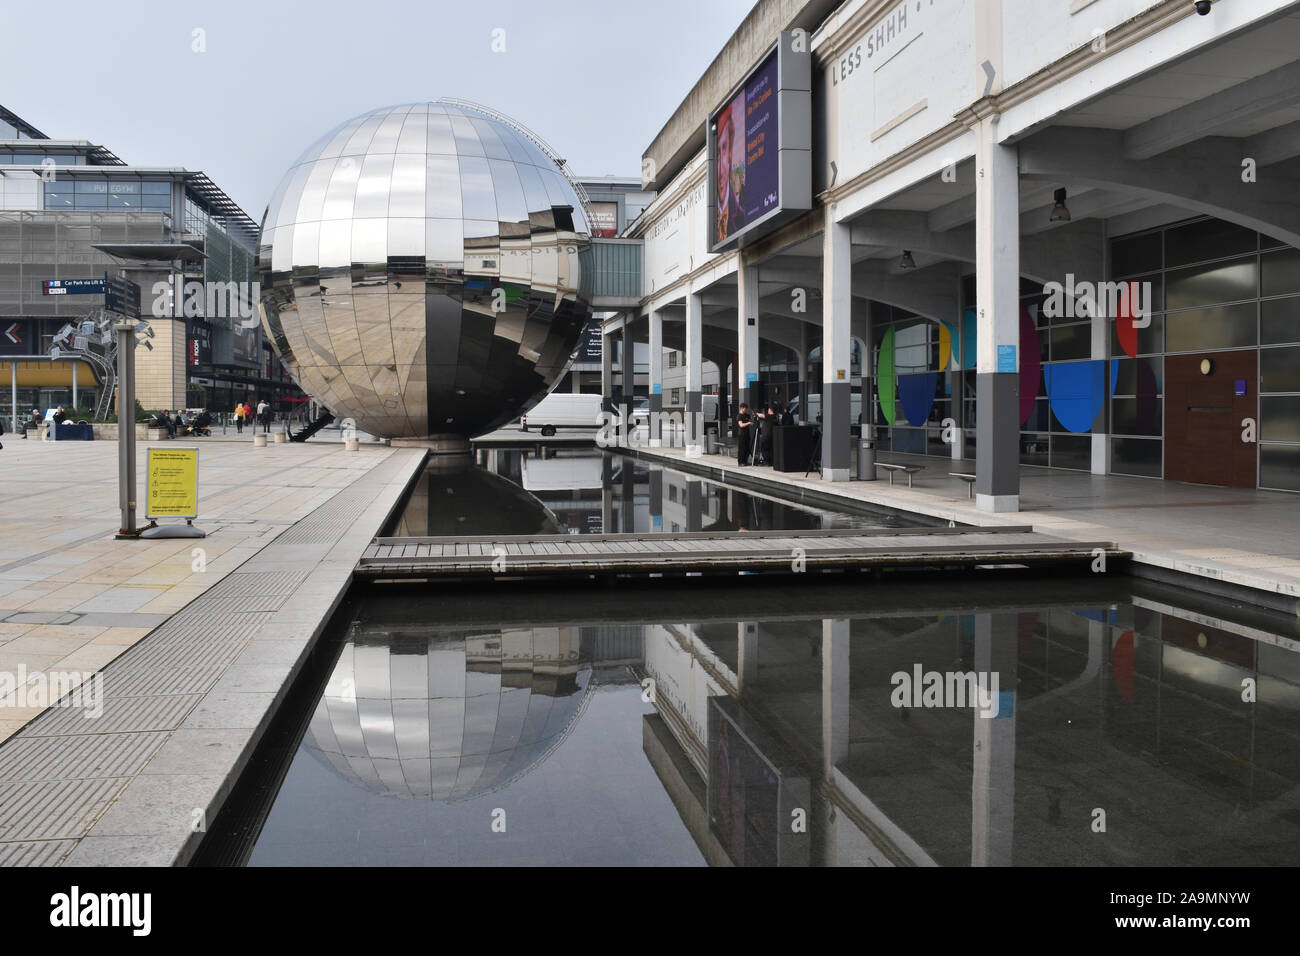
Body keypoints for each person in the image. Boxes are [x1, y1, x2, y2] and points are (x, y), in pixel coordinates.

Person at [714, 107, 745, 244]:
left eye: (724, 149)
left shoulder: (742, 216)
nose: (720, 167)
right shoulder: (711, 215)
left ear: (730, 154)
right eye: (716, 155)